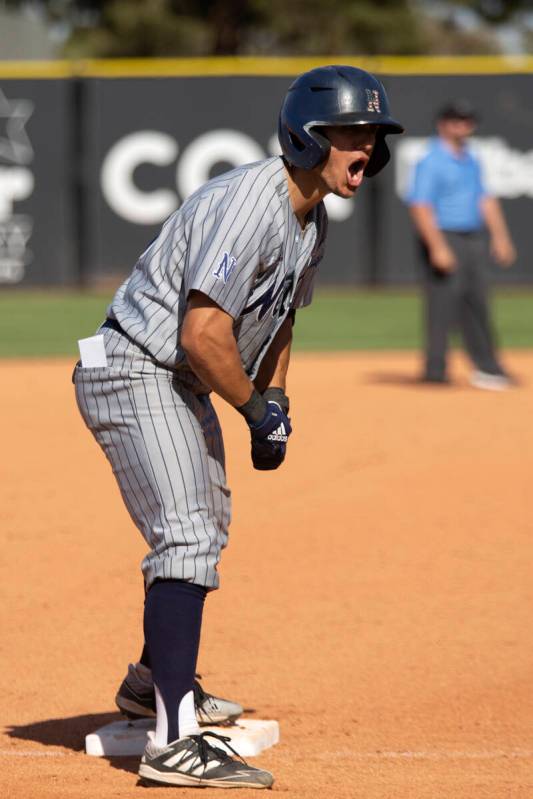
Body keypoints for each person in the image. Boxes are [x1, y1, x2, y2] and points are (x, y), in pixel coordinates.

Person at [73, 64, 403, 789]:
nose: (367, 149)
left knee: (205, 526)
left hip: (173, 376)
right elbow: (201, 333)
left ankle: (149, 685)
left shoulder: (308, 219)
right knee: (186, 533)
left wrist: (275, 403)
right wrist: (252, 407)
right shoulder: (251, 203)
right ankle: (170, 741)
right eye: (352, 132)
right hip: (133, 366)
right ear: (307, 136)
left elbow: (280, 316)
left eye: (373, 136)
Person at [407, 99, 516, 389]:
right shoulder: (431, 160)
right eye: (457, 120)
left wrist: (501, 237)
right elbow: (420, 206)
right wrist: (437, 246)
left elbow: (485, 199)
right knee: (442, 305)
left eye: (468, 120)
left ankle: (487, 367)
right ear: (443, 123)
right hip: (445, 235)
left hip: (473, 237)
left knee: (478, 301)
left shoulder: (471, 159)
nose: (464, 126)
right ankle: (435, 370)